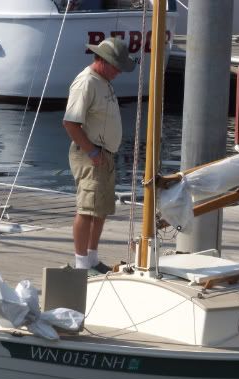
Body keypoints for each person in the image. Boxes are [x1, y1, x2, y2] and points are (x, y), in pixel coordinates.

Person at [63, 37, 135, 273]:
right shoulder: (86, 82)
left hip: (104, 154)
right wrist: (92, 152)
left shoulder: (103, 80)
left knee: (100, 208)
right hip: (91, 153)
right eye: (116, 66)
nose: (118, 72)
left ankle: (92, 258)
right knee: (86, 208)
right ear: (102, 61)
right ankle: (81, 263)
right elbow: (71, 123)